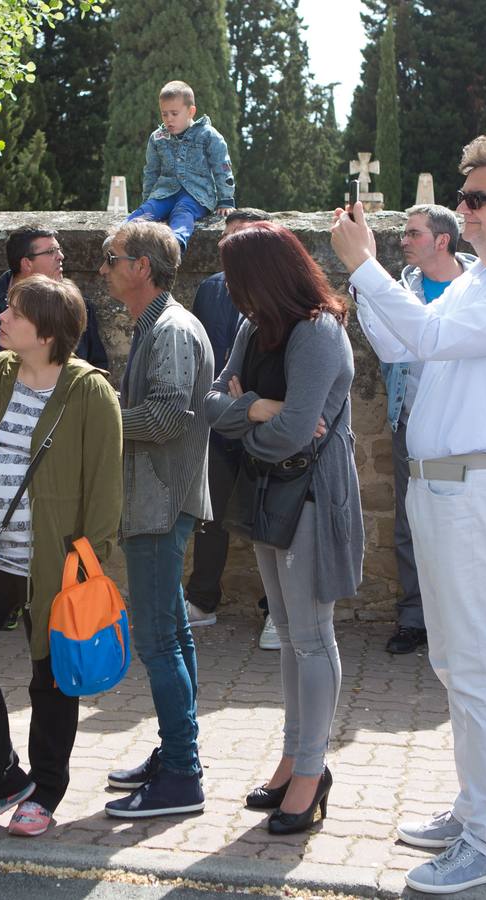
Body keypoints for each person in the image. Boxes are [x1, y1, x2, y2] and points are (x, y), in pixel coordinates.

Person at [331, 135, 486, 894]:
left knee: (476, 668)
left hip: (470, 488)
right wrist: (365, 282)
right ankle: (473, 811)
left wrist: (363, 265)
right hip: (438, 486)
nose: (462, 208)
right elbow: (407, 341)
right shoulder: (479, 278)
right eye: (462, 196)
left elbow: (425, 333)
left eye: (476, 199)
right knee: (451, 661)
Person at [0, 276, 123, 838]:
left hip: (53, 567)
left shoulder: (91, 392)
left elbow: (106, 489)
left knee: (53, 679)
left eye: (14, 312)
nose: (2, 317)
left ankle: (44, 792)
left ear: (44, 330)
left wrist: (88, 562)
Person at [205, 222, 363, 835]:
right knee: (290, 633)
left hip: (313, 498)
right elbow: (214, 405)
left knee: (312, 635)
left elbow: (298, 432)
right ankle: (294, 757)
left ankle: (312, 771)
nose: (230, 291)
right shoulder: (255, 327)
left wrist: (251, 417)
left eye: (237, 279)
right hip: (273, 494)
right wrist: (255, 410)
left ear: (265, 277)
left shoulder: (318, 332)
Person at [97, 220, 215, 819]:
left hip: (159, 504)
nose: (104, 268)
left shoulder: (169, 331)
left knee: (156, 639)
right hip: (159, 499)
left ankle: (182, 775)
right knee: (172, 633)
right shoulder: (158, 326)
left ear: (142, 267)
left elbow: (167, 420)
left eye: (112, 258)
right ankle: (177, 751)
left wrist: (103, 417)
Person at [374, 204, 477, 656]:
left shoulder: (482, 286)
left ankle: (464, 623)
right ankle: (415, 617)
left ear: (442, 241)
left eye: (413, 233)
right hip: (411, 424)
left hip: (467, 428)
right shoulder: (402, 289)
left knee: (467, 523)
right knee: (410, 520)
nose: (403, 240)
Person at [184, 208, 277, 649]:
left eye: (240, 235)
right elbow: (208, 355)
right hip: (220, 419)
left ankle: (276, 609)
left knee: (273, 514)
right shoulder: (209, 290)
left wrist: (253, 401)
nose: (229, 245)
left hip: (266, 421)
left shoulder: (283, 291)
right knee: (211, 514)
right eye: (226, 237)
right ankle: (202, 601)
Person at [0, 227, 110, 410]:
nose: (60, 256)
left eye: (59, 249)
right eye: (51, 252)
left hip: (61, 424)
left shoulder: (77, 305)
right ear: (26, 263)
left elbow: (95, 363)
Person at [125, 81, 236, 248]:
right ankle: (119, 237)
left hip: (197, 195)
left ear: (191, 111)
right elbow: (151, 171)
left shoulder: (208, 135)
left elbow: (222, 167)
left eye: (174, 114)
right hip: (165, 192)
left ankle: (175, 246)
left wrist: (226, 200)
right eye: (164, 114)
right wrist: (148, 198)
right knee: (147, 211)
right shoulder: (157, 137)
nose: (169, 119)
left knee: (183, 212)